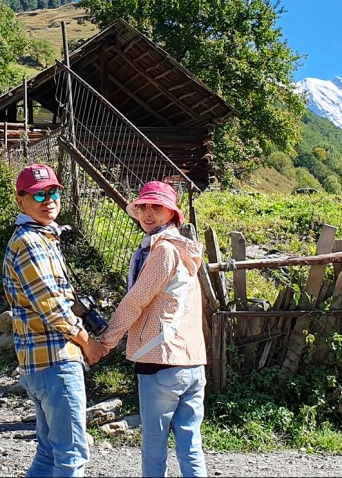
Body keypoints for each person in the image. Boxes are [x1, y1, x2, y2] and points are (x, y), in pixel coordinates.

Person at [2, 163, 108, 477]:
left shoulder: (40, 237)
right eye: (37, 195)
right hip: (56, 361)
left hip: (38, 363)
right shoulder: (32, 244)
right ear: (21, 201)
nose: (48, 200)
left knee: (49, 456)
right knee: (72, 456)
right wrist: (88, 343)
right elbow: (52, 308)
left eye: (53, 191)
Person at [99, 181, 209, 477]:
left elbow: (136, 301)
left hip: (159, 360)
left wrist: (105, 342)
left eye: (157, 207)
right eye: (144, 206)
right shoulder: (186, 252)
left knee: (154, 446)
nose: (148, 213)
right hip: (193, 362)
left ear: (171, 213)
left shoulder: (162, 252)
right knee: (190, 443)